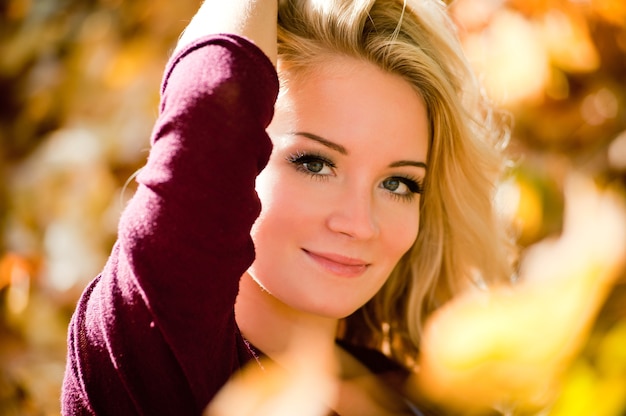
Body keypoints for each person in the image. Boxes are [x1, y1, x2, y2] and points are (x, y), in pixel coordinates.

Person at [62, 0, 512, 414]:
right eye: (314, 163)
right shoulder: (150, 356)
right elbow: (213, 112)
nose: (359, 223)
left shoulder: (429, 403)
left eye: (398, 183)